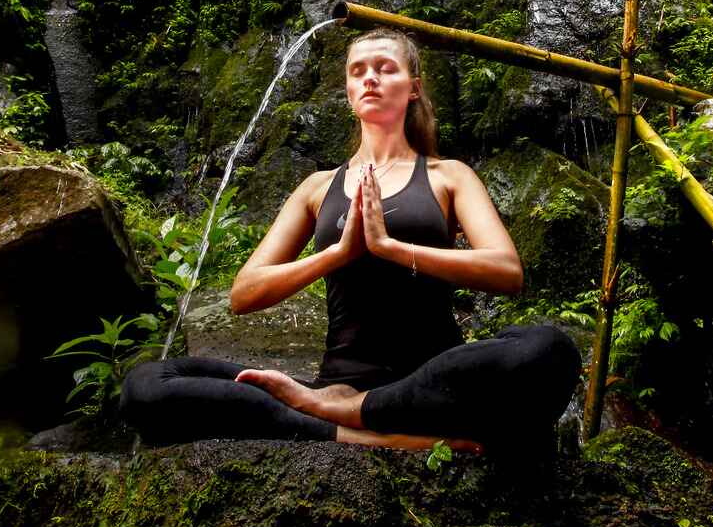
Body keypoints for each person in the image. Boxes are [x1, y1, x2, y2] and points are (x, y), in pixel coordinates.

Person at [120, 27, 580, 452]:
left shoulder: (449, 176)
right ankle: (357, 430)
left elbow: (507, 271)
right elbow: (244, 293)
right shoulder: (317, 187)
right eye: (358, 71)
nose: (370, 79)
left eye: (386, 68)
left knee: (546, 350)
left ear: (414, 87)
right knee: (147, 384)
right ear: (347, 93)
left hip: (436, 383)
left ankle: (350, 414)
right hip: (339, 380)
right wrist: (339, 254)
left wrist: (391, 248)